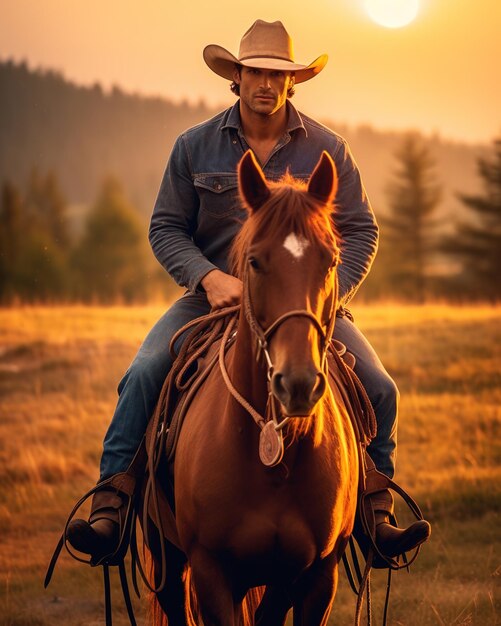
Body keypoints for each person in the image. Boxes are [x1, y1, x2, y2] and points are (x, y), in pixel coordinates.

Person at [67, 19, 430, 561]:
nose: (266, 82)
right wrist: (209, 278)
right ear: (236, 76)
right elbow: (165, 227)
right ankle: (112, 507)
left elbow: (362, 230)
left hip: (301, 306)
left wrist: (325, 293)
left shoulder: (329, 150)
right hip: (211, 297)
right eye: (255, 71)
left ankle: (376, 515)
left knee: (380, 387)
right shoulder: (194, 147)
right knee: (144, 373)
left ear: (293, 82)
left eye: (277, 74)